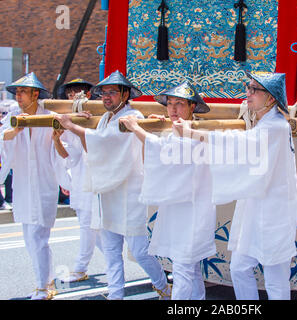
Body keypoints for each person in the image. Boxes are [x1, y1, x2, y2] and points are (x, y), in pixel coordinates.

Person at [172, 72, 297, 300]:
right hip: (255, 206)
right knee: (239, 268)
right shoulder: (264, 124)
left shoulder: (276, 127)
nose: (247, 93)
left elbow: (235, 143)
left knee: (275, 278)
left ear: (271, 98)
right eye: (248, 87)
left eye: (254, 90)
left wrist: (192, 133)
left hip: (275, 211)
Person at [53, 70, 170, 300]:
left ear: (125, 94)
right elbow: (94, 151)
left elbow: (106, 142)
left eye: (112, 92)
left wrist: (72, 125)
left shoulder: (132, 116)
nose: (106, 97)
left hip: (130, 192)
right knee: (111, 251)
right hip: (107, 192)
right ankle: (115, 294)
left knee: (139, 250)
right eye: (103, 93)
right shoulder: (105, 119)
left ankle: (163, 286)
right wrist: (76, 128)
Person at [119, 81, 216, 300]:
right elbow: (153, 157)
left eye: (179, 104)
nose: (173, 109)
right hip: (177, 210)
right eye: (170, 104)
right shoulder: (173, 132)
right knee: (188, 267)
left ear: (192, 107)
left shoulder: (198, 132)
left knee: (183, 268)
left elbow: (166, 151)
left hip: (194, 210)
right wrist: (152, 129)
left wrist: (137, 128)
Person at [0, 72, 71, 300]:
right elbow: (2, 137)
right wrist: (15, 130)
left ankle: (43, 287)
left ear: (35, 94)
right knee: (30, 238)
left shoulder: (50, 117)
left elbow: (64, 152)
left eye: (22, 92)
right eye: (17, 92)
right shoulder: (12, 115)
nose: (18, 96)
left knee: (39, 236)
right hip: (21, 185)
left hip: (44, 184)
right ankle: (47, 281)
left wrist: (57, 138)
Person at [53, 78, 104, 283]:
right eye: (71, 92)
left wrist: (78, 126)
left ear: (89, 95)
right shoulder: (67, 119)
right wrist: (57, 138)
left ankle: (80, 268)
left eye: (80, 92)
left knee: (90, 225)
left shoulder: (99, 116)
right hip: (81, 176)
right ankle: (113, 262)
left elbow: (95, 147)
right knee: (95, 228)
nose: (75, 95)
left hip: (98, 176)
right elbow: (69, 156)